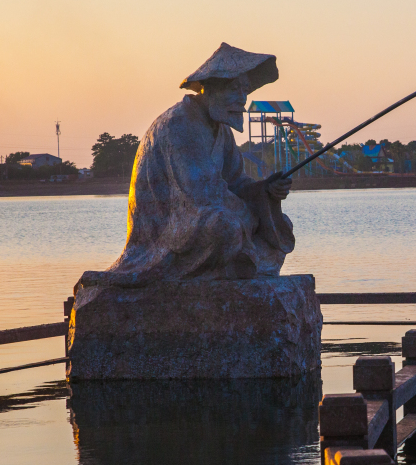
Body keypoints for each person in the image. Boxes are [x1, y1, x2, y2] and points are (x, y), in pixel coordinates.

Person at [79, 44, 295, 288]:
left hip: (204, 214)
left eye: (245, 90)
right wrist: (251, 215)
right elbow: (201, 194)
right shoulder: (179, 125)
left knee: (280, 226)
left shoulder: (220, 128)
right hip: (167, 232)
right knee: (226, 228)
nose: (243, 99)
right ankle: (214, 275)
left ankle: (235, 268)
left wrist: (265, 190)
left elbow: (235, 182)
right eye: (235, 89)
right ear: (212, 88)